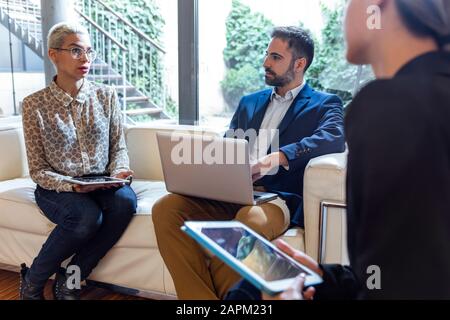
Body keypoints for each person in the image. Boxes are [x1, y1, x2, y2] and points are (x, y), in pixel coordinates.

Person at [227, 0, 450, 300]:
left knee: (244, 297)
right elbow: (392, 272)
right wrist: (329, 281)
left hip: (279, 199)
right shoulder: (417, 96)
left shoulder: (391, 107)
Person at [152, 26, 345, 300]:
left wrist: (278, 157)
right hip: (231, 193)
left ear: (299, 63)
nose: (266, 62)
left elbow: (333, 138)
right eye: (267, 54)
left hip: (276, 199)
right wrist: (204, 166)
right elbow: (227, 146)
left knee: (247, 221)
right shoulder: (249, 102)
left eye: (275, 57)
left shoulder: (324, 104)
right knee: (167, 208)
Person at [19, 22, 137, 300]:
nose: (85, 59)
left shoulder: (106, 96)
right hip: (58, 187)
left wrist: (119, 170)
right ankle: (32, 282)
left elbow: (118, 146)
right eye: (75, 51)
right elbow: (38, 169)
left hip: (102, 181)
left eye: (89, 51)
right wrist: (71, 186)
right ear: (53, 54)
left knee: (125, 203)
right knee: (86, 217)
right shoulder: (33, 104)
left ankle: (70, 280)